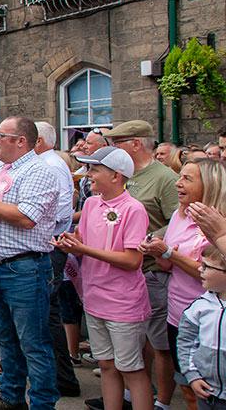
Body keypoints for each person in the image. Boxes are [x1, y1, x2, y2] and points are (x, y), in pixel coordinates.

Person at [0, 116, 60, 410]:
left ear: (21, 141)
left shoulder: (39, 172)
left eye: (1, 136)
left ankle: (42, 404)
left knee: (34, 345)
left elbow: (25, 217)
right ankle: (11, 397)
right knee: (6, 340)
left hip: (25, 268)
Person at [54, 146, 153, 410]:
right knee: (107, 365)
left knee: (131, 369)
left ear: (116, 176)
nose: (89, 175)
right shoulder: (91, 204)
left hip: (123, 303)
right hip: (94, 297)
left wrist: (82, 249)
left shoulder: (134, 209)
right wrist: (71, 242)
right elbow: (84, 240)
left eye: (95, 169)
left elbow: (132, 260)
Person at [139, 159, 226, 409]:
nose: (178, 183)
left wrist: (169, 253)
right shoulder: (180, 214)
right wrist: (157, 252)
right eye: (181, 177)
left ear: (209, 184)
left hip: (209, 318)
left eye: (188, 178)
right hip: (178, 313)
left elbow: (212, 275)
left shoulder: (217, 222)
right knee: (188, 385)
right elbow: (169, 267)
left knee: (208, 389)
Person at [107, 120, 180, 410]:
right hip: (125, 272)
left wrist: (147, 238)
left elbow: (179, 220)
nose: (113, 149)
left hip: (151, 269)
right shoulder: (125, 175)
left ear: (136, 144)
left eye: (117, 143)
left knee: (158, 342)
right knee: (136, 341)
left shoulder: (164, 178)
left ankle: (162, 401)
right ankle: (134, 394)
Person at [34, 122, 81, 398]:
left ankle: (60, 377)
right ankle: (57, 376)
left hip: (49, 245)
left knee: (46, 313)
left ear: (37, 141)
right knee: (47, 313)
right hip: (48, 243)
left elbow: (62, 208)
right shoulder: (48, 163)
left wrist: (30, 225)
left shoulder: (49, 165)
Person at [178, 245, 226, 410]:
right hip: (207, 393)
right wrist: (192, 375)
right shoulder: (198, 308)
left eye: (206, 266)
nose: (199, 268)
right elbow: (185, 343)